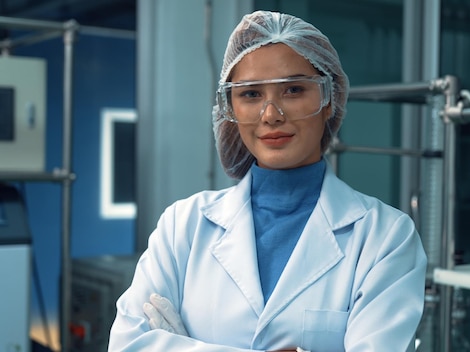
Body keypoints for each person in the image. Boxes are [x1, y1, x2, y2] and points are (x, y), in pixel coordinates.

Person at [108, 10, 427, 352]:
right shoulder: (183, 225)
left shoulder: (385, 237)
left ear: (328, 100)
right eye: (250, 94)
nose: (272, 114)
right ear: (229, 107)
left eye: (293, 89)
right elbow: (128, 345)